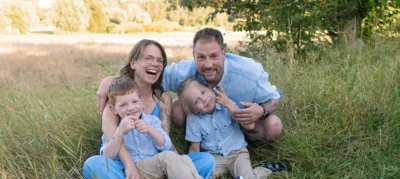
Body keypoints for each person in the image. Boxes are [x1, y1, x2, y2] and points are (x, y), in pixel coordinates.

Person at [83, 79, 245, 179]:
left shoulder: (152, 121)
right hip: (136, 177)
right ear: (114, 109)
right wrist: (119, 133)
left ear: (141, 101)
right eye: (123, 105)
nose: (131, 108)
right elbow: (107, 156)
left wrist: (150, 130)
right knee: (167, 157)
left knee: (187, 160)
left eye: (134, 102)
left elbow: (165, 144)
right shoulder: (116, 128)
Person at [97, 28, 283, 146]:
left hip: (242, 122)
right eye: (201, 57)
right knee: (177, 110)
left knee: (274, 126)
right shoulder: (183, 72)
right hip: (206, 126)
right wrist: (112, 79)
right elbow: (148, 75)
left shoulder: (249, 72)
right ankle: (202, 144)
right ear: (193, 55)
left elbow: (274, 98)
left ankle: (250, 150)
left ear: (224, 53)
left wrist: (262, 110)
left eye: (214, 56)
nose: (208, 64)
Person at [97, 39, 215, 179]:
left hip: (156, 166)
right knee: (94, 165)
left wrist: (179, 162)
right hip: (123, 167)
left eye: (160, 61)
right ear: (133, 63)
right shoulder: (115, 95)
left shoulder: (164, 100)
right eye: (148, 58)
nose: (155, 64)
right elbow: (111, 138)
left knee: (206, 160)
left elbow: (164, 143)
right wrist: (130, 166)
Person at [178, 78, 273, 179]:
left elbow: (249, 126)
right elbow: (194, 148)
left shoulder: (228, 104)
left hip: (237, 152)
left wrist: (229, 105)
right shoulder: (193, 120)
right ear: (194, 109)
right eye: (196, 101)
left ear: (210, 88)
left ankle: (264, 170)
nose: (204, 99)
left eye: (203, 92)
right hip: (214, 158)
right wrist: (190, 168)